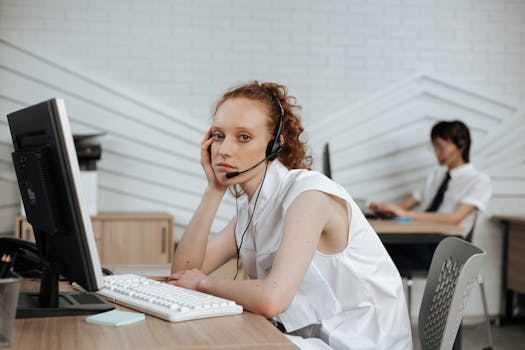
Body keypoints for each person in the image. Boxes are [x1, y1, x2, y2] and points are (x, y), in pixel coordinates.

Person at [168, 81, 412, 349]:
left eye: (244, 137)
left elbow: (272, 299)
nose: (224, 149)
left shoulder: (309, 195)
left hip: (359, 343)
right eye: (218, 135)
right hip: (309, 339)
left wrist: (203, 284)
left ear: (274, 145)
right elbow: (182, 273)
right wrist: (214, 189)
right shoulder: (254, 209)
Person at [369, 120, 492, 269]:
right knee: (372, 246)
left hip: (446, 250)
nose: (437, 153)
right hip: (420, 240)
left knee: (374, 251)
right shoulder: (436, 177)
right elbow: (405, 205)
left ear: (461, 145)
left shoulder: (479, 181)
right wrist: (385, 209)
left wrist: (406, 214)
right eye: (434, 148)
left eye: (441, 147)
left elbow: (455, 218)